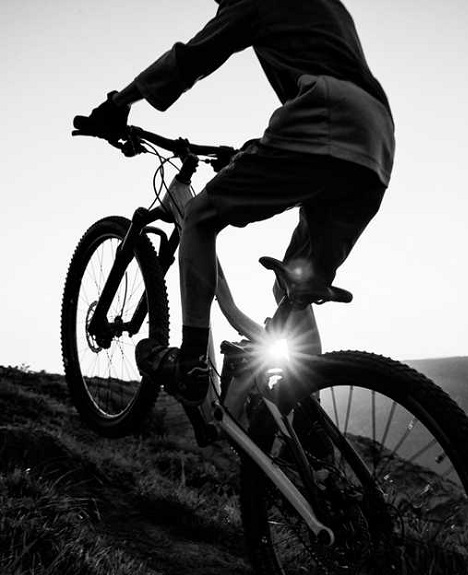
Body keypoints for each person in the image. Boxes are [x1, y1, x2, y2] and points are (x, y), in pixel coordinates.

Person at [79, 0, 395, 405]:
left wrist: (118, 104)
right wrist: (255, 151)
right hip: (376, 138)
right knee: (293, 283)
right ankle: (307, 409)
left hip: (324, 114)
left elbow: (191, 58)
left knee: (199, 217)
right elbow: (322, 63)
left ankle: (191, 363)